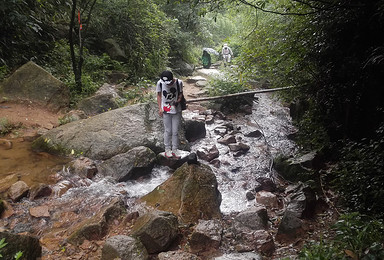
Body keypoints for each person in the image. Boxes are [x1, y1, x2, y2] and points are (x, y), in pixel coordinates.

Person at [156, 70, 184, 159]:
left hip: (176, 109)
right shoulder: (160, 83)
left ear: (172, 79)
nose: (167, 84)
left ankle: (175, 149)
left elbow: (180, 94)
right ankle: (167, 149)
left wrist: (178, 101)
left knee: (175, 131)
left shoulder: (179, 82)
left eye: (169, 82)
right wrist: (160, 108)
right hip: (166, 109)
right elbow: (159, 95)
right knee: (168, 131)